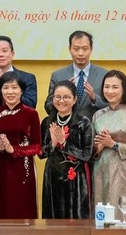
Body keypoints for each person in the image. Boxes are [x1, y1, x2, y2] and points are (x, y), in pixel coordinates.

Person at [0, 71, 41, 219]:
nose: (10, 92)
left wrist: (13, 149)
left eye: (14, 88)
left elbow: (37, 146)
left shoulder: (31, 114)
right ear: (0, 90)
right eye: (6, 87)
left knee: (22, 207)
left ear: (22, 90)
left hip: (23, 169)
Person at [92, 70, 126, 222]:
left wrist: (113, 144)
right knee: (102, 216)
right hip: (101, 169)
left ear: (123, 89)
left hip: (124, 173)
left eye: (115, 87)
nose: (110, 91)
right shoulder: (98, 115)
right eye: (106, 87)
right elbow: (93, 149)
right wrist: (99, 148)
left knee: (124, 216)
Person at [39, 80, 93, 219]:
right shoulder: (47, 122)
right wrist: (53, 144)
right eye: (57, 97)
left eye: (66, 97)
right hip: (52, 176)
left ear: (74, 99)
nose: (61, 101)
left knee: (75, 220)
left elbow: (87, 155)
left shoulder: (83, 122)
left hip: (75, 179)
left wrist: (64, 142)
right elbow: (41, 153)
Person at [45, 30, 108, 118]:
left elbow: (111, 107)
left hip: (93, 129)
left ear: (91, 49)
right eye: (76, 49)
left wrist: (94, 98)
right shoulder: (58, 76)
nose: (80, 53)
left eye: (85, 49)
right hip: (65, 129)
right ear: (69, 49)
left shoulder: (104, 75)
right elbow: (48, 107)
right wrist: (63, 95)